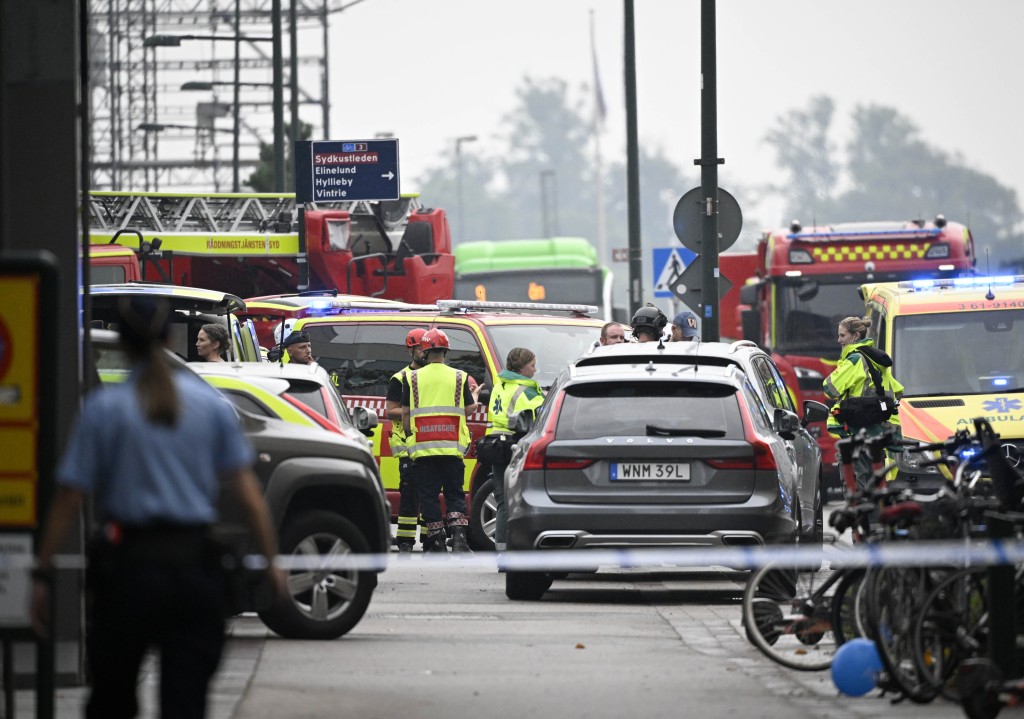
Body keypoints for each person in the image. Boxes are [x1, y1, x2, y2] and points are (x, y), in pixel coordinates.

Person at [31, 296, 286, 719]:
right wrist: (273, 562)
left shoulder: (103, 410)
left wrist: (42, 574)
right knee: (185, 703)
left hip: (126, 574)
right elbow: (248, 497)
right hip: (193, 573)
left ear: (123, 345)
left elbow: (67, 499)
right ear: (170, 338)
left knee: (112, 698)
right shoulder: (209, 407)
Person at [402, 328, 480, 555]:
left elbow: (406, 413)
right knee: (455, 493)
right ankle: (458, 539)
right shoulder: (460, 376)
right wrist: (475, 398)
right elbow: (467, 410)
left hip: (423, 450)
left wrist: (410, 435)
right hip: (452, 448)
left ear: (424, 352)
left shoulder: (412, 377)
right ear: (445, 350)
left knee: (428, 495)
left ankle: (435, 541)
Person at [823, 315, 904, 493]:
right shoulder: (876, 360)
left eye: (842, 335)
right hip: (877, 434)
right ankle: (875, 519)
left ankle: (861, 520)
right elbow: (897, 391)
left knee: (856, 490)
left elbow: (830, 388)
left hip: (856, 433)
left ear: (856, 336)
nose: (839, 340)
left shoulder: (855, 360)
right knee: (877, 486)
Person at [485, 347, 545, 552]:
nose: (535, 370)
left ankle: (502, 554)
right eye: (532, 365)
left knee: (502, 501)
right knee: (524, 501)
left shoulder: (500, 383)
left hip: (495, 444)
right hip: (514, 445)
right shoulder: (527, 388)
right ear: (521, 367)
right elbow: (544, 414)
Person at [386, 328, 428, 555]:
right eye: (421, 348)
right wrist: (412, 412)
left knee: (430, 494)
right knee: (409, 495)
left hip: (432, 443)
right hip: (408, 446)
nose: (425, 352)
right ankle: (405, 541)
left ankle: (431, 540)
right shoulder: (400, 379)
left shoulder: (436, 377)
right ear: (410, 349)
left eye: (428, 348)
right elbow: (389, 410)